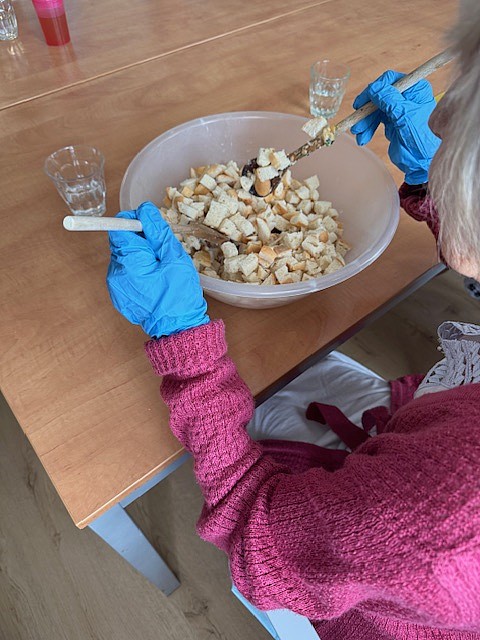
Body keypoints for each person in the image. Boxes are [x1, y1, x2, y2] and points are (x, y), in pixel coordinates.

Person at [105, 1, 480, 637]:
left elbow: (255, 528)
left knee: (266, 393)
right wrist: (434, 178)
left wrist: (183, 340)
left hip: (361, 586)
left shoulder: (444, 521)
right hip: (413, 458)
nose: (440, 118)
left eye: (464, 116)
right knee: (295, 377)